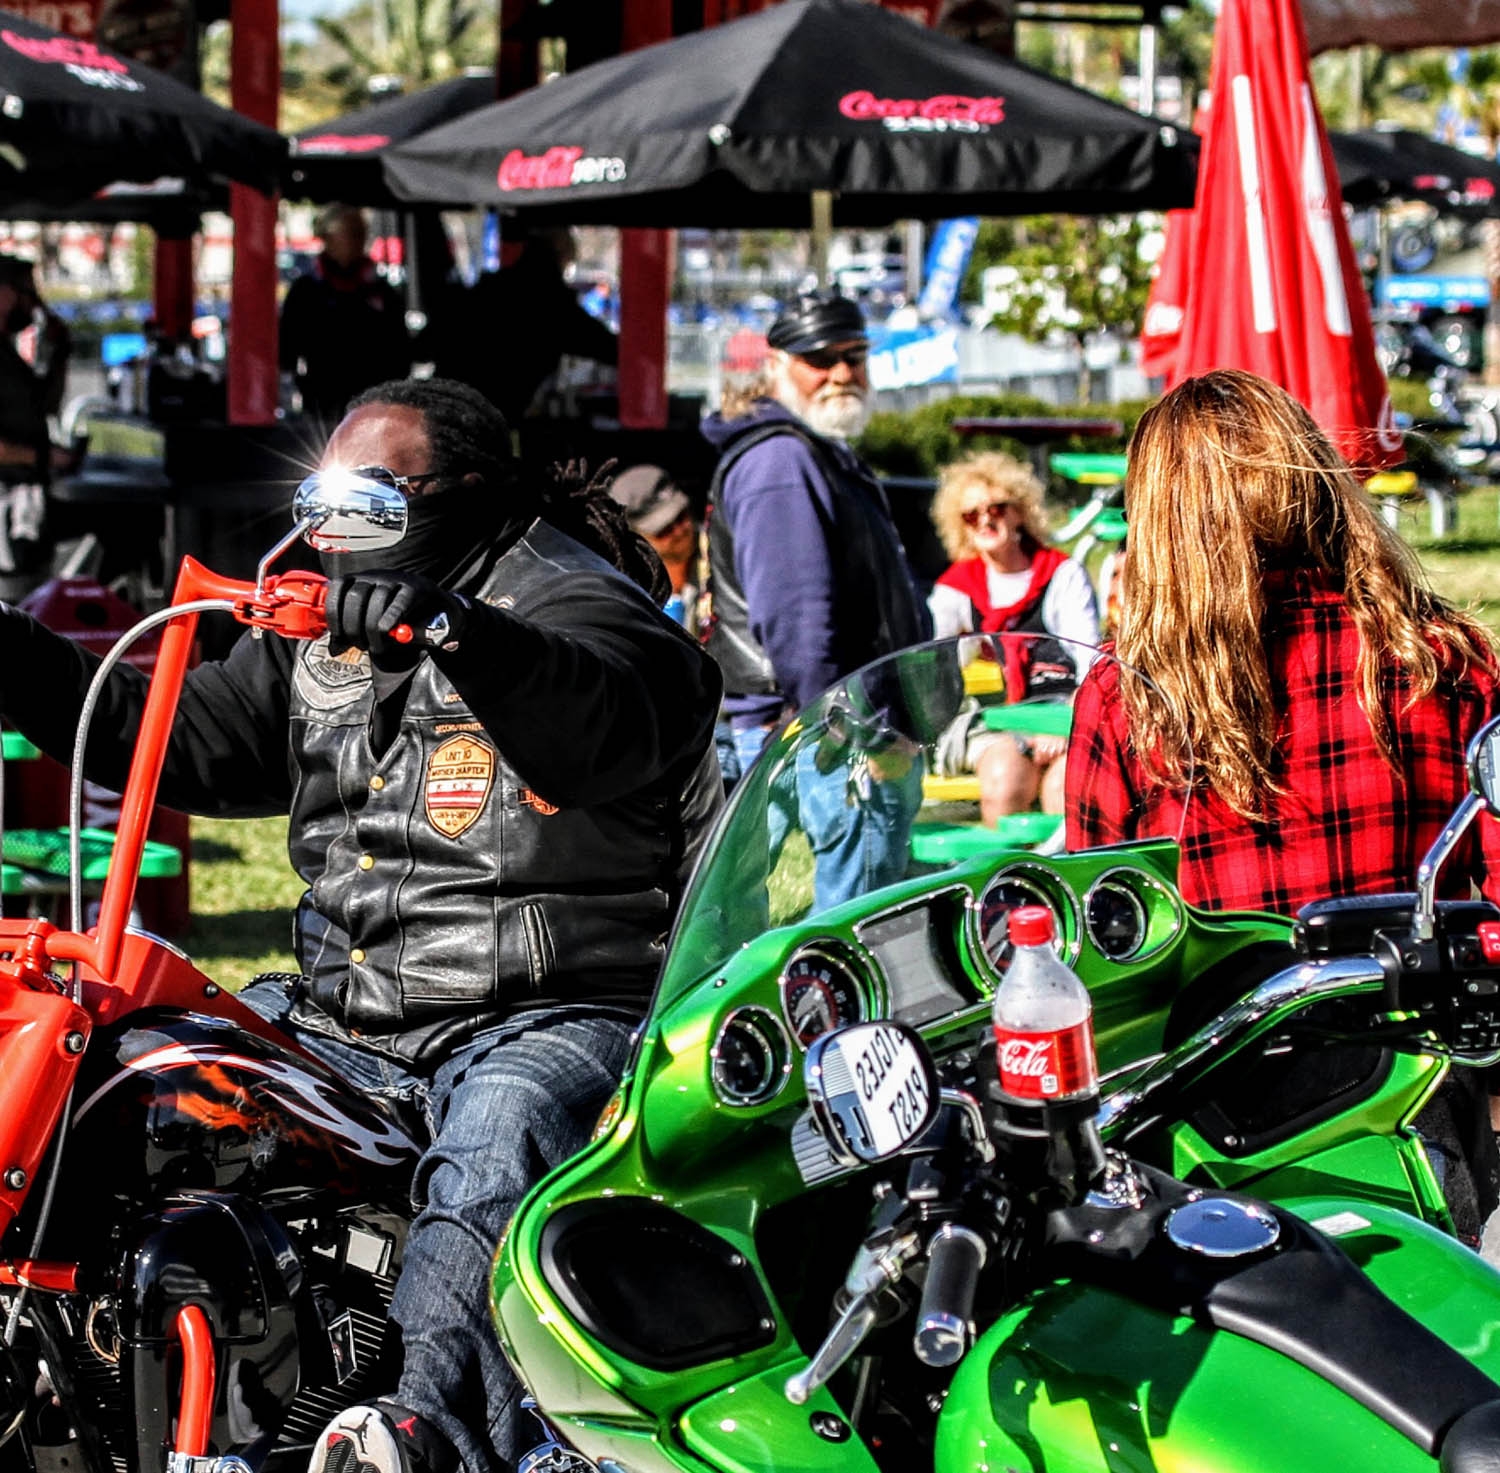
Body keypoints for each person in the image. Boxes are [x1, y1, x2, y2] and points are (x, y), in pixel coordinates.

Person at [0, 377, 724, 1473]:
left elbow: (609, 720)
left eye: (371, 500)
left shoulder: (578, 601)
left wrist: (446, 626)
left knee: (498, 1140)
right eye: (321, 498)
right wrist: (12, 652)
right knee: (134, 1071)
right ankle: (88, 1377)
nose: (335, 526)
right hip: (339, 1011)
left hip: (547, 1013)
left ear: (468, 493)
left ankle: (417, 1433)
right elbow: (191, 740)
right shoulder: (318, 624)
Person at [1064, 368, 1500, 1241]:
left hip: (1208, 1129)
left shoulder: (1128, 697)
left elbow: (1094, 945)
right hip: (1414, 1109)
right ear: (1314, 482)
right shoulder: (1439, 658)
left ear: (1163, 523)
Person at [699, 291, 929, 906]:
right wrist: (855, 733)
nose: (842, 374)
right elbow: (798, 623)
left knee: (846, 919)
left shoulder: (816, 450)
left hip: (824, 724)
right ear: (776, 365)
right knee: (855, 930)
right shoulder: (782, 459)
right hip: (819, 730)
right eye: (819, 359)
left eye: (854, 356)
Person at [927, 450, 1100, 827]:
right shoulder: (957, 588)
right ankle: (1004, 883)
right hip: (1000, 720)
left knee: (1065, 788)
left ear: (1020, 512)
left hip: (1067, 710)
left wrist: (1064, 723)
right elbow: (932, 662)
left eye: (997, 509)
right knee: (1004, 781)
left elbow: (1091, 662)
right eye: (972, 515)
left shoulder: (1061, 574)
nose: (986, 520)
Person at [430, 226, 618, 425]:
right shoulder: (551, 305)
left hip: (450, 399)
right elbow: (604, 346)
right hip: (489, 410)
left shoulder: (492, 287)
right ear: (562, 256)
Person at [280, 204, 413, 424]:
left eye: (360, 233)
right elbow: (288, 349)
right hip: (324, 405)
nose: (357, 241)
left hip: (374, 407)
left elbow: (400, 349)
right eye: (349, 233)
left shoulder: (380, 291)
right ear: (328, 238)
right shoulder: (307, 291)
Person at [0, 253, 71, 599]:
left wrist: (59, 353)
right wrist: (44, 458)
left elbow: (45, 407)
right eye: (26, 293)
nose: (34, 305)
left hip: (26, 495)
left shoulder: (7, 353)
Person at [608, 462, 700, 632]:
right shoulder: (628, 595)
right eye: (664, 530)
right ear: (638, 538)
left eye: (681, 517)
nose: (678, 531)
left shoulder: (718, 560)